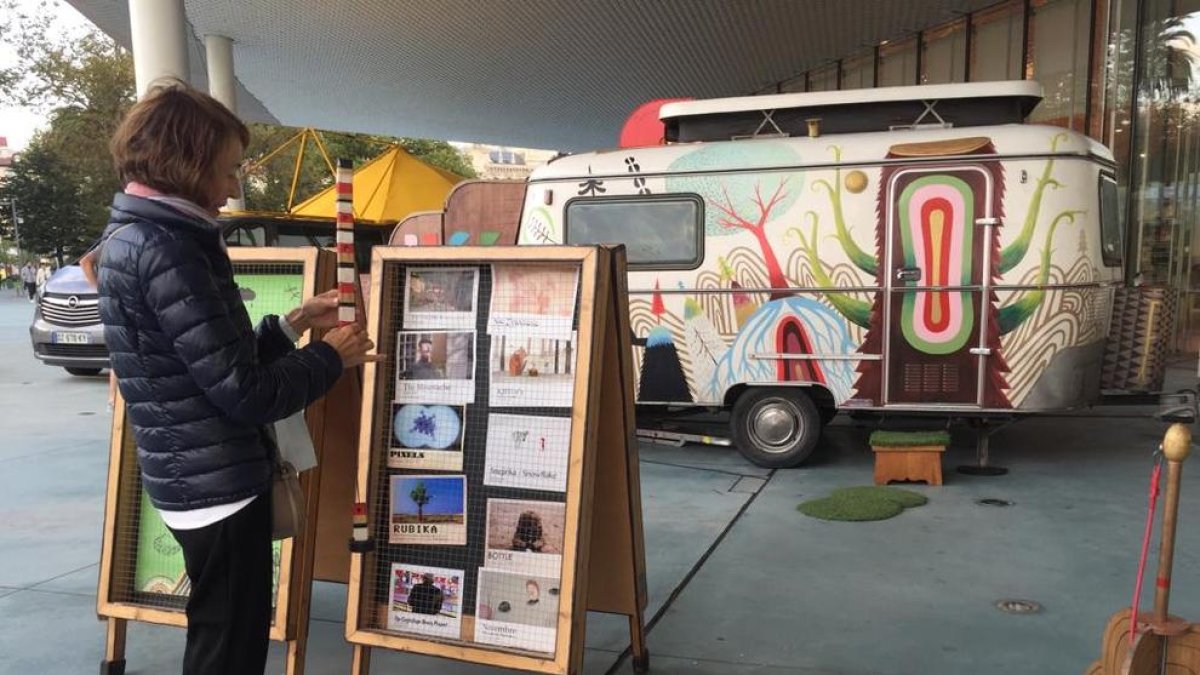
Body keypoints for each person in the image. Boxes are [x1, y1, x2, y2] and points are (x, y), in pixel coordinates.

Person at [93, 80, 375, 675]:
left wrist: (294, 322)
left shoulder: (135, 237)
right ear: (187, 164)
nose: (232, 187)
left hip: (193, 475)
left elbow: (210, 362)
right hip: (214, 485)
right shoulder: (169, 248)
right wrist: (332, 357)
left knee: (222, 632)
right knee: (229, 647)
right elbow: (245, 393)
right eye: (226, 169)